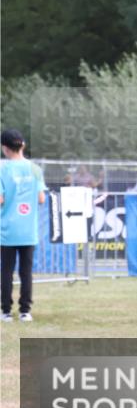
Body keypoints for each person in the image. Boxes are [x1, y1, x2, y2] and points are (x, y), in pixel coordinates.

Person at [1, 130, 47, 323]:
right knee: (26, 272)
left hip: (7, 231)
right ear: (23, 145)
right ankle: (25, 311)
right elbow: (41, 198)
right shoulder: (35, 169)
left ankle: (5, 312)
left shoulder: (2, 169)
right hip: (28, 230)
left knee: (6, 271)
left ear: (4, 148)